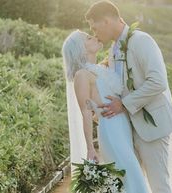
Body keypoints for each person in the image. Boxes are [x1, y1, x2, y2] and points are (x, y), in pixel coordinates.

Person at [85, 1, 172, 193]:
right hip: (128, 130)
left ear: (106, 21)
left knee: (159, 186)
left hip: (151, 126)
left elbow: (158, 82)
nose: (95, 33)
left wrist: (123, 104)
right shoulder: (113, 51)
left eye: (94, 28)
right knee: (133, 186)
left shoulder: (141, 40)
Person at [62, 30, 149, 193]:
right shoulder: (82, 75)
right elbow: (86, 113)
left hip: (123, 129)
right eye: (89, 37)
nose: (95, 36)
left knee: (130, 178)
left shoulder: (101, 69)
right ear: (80, 48)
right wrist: (90, 148)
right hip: (111, 132)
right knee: (131, 176)